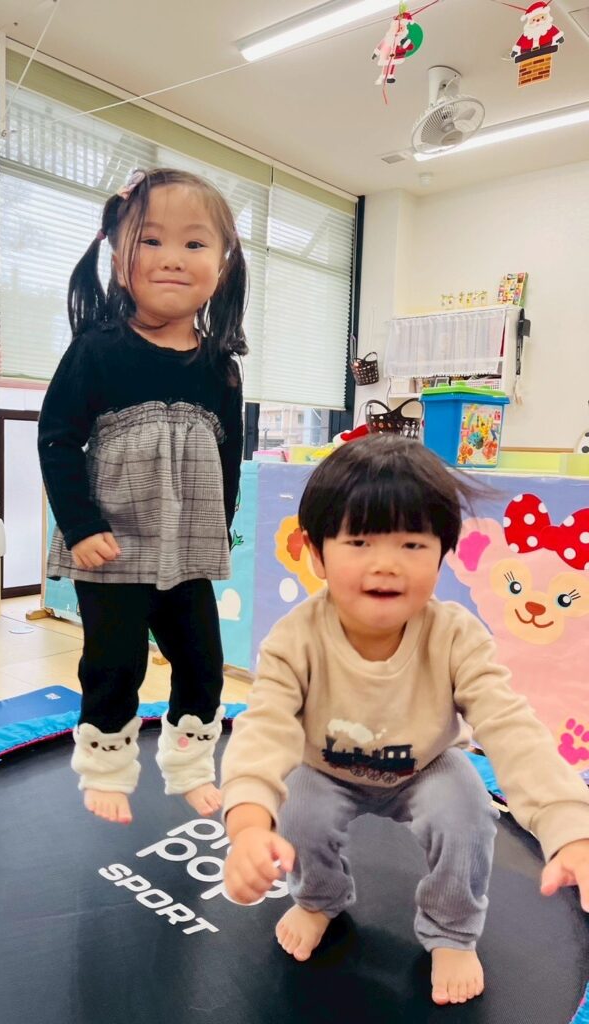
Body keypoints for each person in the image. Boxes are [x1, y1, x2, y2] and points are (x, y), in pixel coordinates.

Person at [221, 433, 589, 1006]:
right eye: (360, 541)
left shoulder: (455, 636)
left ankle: (451, 930)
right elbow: (264, 726)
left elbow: (510, 727)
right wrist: (248, 825)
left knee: (466, 808)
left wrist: (571, 826)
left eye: (413, 544)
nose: (386, 564)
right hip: (325, 768)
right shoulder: (296, 639)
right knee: (298, 808)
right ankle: (319, 898)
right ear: (316, 553)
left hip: (426, 766)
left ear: (442, 555)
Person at [38, 168, 247, 826]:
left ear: (223, 264)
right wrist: (79, 526)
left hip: (186, 551)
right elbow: (57, 440)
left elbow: (228, 457)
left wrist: (219, 529)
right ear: (118, 258)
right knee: (115, 663)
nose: (172, 259)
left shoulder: (220, 368)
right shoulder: (97, 352)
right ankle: (105, 768)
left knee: (203, 664)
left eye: (194, 244)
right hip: (113, 547)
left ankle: (189, 764)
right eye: (151, 240)